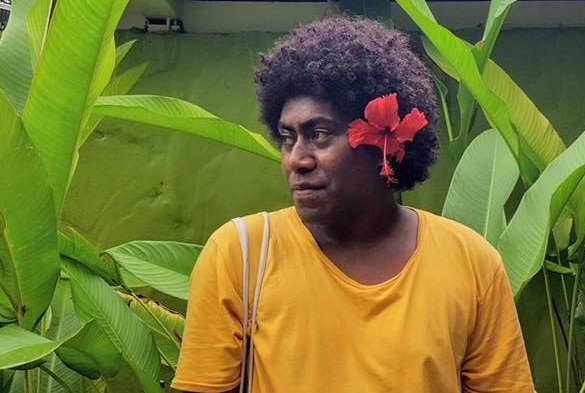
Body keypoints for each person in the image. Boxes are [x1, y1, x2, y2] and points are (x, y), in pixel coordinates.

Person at [172, 16, 535, 393]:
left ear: (384, 142)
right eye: (287, 137)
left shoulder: (472, 263)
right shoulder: (239, 255)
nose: (297, 158)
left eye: (319, 134)